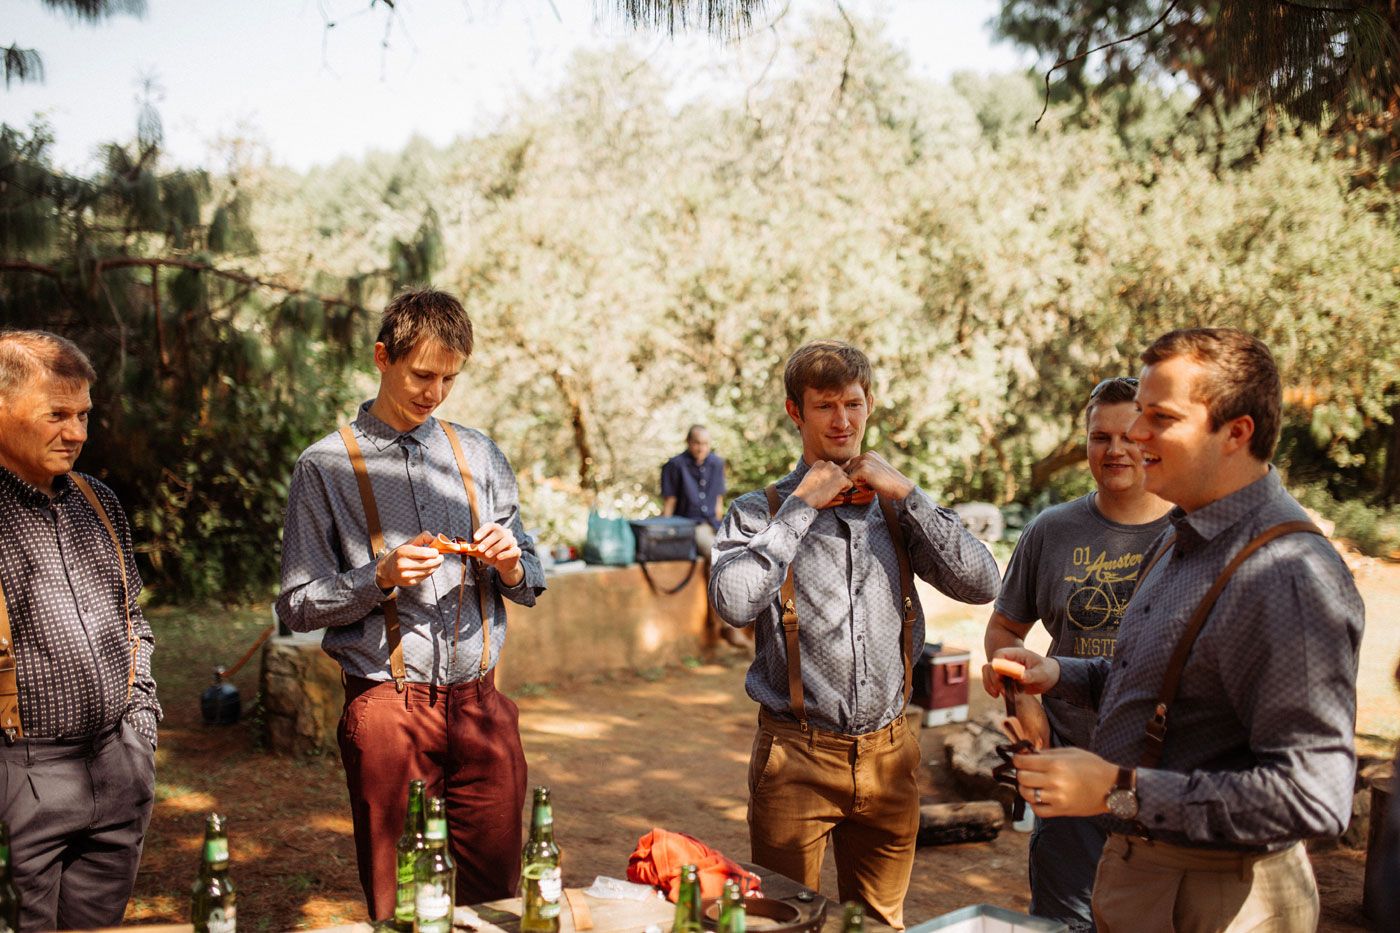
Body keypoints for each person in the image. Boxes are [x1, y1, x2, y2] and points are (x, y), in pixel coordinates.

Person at [989, 328, 1364, 933]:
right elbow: (1160, 680)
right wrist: (1058, 673)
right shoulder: (1182, 537)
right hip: (1149, 876)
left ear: (1236, 432)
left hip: (1220, 894)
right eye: (1138, 413)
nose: (1136, 435)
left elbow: (1313, 796)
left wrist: (1117, 789)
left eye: (1159, 418)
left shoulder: (1287, 575)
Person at [710, 340, 1000, 929]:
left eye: (853, 403)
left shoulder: (896, 509)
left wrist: (911, 496)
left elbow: (982, 583)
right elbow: (733, 604)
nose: (842, 420)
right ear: (796, 412)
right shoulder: (758, 511)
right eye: (825, 405)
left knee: (880, 923)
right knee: (786, 923)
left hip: (891, 755)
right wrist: (799, 508)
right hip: (795, 758)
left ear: (870, 405)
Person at [277, 288, 545, 919]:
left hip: (482, 704)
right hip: (386, 706)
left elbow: (530, 576)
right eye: (423, 375)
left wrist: (511, 563)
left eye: (450, 378)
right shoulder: (324, 467)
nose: (435, 393)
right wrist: (379, 576)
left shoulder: (479, 454)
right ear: (382, 357)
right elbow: (296, 606)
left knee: (501, 898)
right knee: (401, 901)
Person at [983, 376, 1171, 932]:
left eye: (1128, 436)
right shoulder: (1051, 530)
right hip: (1067, 772)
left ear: (1151, 438)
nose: (1115, 450)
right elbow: (1003, 629)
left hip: (1156, 779)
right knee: (1066, 921)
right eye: (1099, 437)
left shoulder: (1187, 533)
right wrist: (1025, 704)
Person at [0, 330, 161, 932]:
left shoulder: (99, 502)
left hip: (117, 768)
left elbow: (133, 620)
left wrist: (141, 728)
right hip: (19, 779)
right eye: (57, 415)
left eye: (84, 415)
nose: (77, 433)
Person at [661, 425, 744, 645]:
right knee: (716, 554)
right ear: (688, 443)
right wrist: (664, 533)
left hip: (714, 523)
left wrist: (724, 528)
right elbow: (669, 503)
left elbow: (718, 501)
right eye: (697, 443)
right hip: (690, 526)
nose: (701, 448)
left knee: (747, 550)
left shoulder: (716, 463)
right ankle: (726, 627)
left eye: (705, 444)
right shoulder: (674, 465)